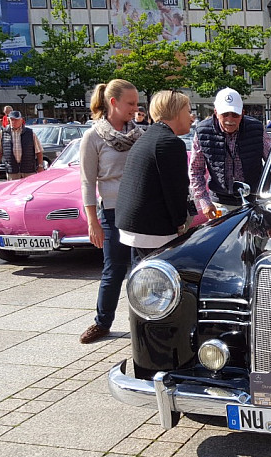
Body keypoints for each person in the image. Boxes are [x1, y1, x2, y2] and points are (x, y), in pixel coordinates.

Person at [79, 78, 142, 345]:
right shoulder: (93, 137)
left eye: (137, 103)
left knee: (141, 270)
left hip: (139, 211)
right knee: (113, 270)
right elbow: (87, 182)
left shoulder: (140, 135)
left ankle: (144, 323)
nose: (136, 108)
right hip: (113, 212)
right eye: (131, 103)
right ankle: (102, 322)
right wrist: (92, 221)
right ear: (113, 102)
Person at [116, 90, 192, 263]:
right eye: (188, 111)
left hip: (134, 224)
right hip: (153, 228)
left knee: (141, 273)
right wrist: (180, 223)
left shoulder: (148, 137)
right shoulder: (169, 143)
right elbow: (175, 190)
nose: (191, 117)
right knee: (158, 276)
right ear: (176, 112)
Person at [191, 87, 271, 218]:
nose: (230, 119)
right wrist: (204, 201)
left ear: (242, 113)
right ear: (216, 112)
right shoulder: (202, 131)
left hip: (255, 199)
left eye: (235, 115)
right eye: (225, 114)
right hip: (220, 201)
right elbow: (196, 170)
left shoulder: (257, 129)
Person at [0, 110, 44, 181]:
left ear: (21, 120)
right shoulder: (3, 133)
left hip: (28, 170)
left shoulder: (30, 133)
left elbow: (39, 151)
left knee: (29, 187)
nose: (13, 122)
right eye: (12, 119)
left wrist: (40, 166)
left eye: (16, 120)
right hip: (12, 170)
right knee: (13, 188)